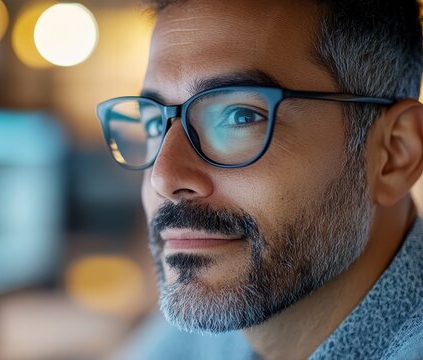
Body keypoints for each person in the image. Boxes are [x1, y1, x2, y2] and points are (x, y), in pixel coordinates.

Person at [96, 0, 423, 359]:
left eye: (239, 117)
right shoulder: (212, 331)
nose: (163, 177)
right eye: (156, 124)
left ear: (394, 154)